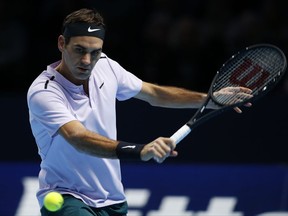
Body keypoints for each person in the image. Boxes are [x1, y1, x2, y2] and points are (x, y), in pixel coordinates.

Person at [27, 8, 252, 216]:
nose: (87, 61)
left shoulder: (106, 66)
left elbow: (153, 93)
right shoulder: (44, 92)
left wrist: (209, 100)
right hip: (67, 197)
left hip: (113, 199)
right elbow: (78, 137)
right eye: (79, 50)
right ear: (61, 43)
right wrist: (141, 150)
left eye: (94, 52)